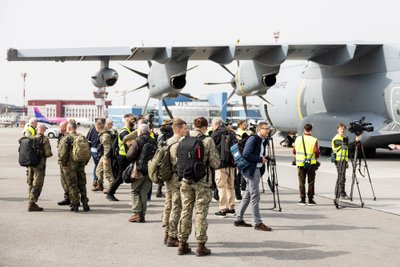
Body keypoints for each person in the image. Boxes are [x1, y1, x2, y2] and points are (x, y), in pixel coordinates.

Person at [177, 117, 220, 257]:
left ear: (193, 126)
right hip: (202, 182)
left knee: (185, 211)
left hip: (186, 180)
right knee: (200, 213)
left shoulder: (183, 140)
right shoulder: (207, 140)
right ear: (205, 127)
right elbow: (215, 163)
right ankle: (200, 246)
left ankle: (182, 244)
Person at [233, 122, 272, 231]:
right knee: (255, 196)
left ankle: (238, 219)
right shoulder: (253, 139)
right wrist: (260, 159)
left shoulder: (262, 140)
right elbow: (246, 154)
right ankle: (258, 223)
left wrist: (263, 158)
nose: (268, 130)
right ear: (259, 130)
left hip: (255, 169)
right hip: (251, 170)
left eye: (268, 129)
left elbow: (256, 153)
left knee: (247, 194)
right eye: (266, 129)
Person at [162, 118, 187, 247]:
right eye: (184, 128)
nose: (186, 130)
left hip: (169, 177)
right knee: (176, 206)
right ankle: (172, 235)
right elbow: (177, 163)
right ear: (177, 129)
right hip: (176, 178)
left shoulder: (168, 141)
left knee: (169, 205)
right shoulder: (177, 143)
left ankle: (166, 232)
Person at [59, 121, 90, 212]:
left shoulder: (67, 138)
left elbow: (63, 153)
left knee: (72, 184)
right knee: (82, 184)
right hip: (81, 164)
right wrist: (84, 162)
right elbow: (87, 151)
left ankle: (75, 204)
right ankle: (85, 204)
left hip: (70, 166)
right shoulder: (82, 137)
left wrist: (63, 163)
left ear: (68, 128)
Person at [210, 118, 237, 218]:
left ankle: (223, 209)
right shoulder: (231, 132)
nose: (212, 127)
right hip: (232, 164)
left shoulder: (215, 134)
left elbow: (211, 149)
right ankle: (231, 207)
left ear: (216, 124)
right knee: (230, 187)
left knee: (221, 187)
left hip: (221, 165)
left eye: (212, 125)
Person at [127, 124, 154, 223]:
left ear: (141, 131)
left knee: (134, 190)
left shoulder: (139, 140)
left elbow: (130, 155)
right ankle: (142, 215)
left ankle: (136, 214)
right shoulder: (153, 141)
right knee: (144, 192)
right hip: (150, 170)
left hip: (138, 169)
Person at [106, 113, 135, 201]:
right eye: (132, 119)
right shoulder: (124, 131)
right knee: (120, 177)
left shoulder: (129, 130)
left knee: (122, 177)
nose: (134, 121)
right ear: (126, 119)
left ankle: (110, 192)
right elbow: (129, 143)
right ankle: (110, 193)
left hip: (126, 156)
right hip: (123, 157)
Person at [26, 123, 53, 211]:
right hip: (39, 165)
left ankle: (30, 200)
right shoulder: (44, 139)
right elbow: (48, 153)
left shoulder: (31, 138)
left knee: (31, 182)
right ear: (44, 130)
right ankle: (32, 203)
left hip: (30, 164)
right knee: (37, 184)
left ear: (37, 129)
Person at [293, 123, 320, 205]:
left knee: (302, 182)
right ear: (311, 130)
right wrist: (316, 157)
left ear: (304, 130)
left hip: (300, 164)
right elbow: (316, 152)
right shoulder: (314, 140)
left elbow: (294, 151)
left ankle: (302, 199)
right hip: (311, 164)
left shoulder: (298, 139)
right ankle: (310, 199)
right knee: (311, 181)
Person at [332, 123, 355, 200]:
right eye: (341, 129)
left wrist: (346, 162)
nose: (342, 130)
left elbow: (345, 150)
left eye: (343, 129)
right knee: (342, 177)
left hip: (343, 160)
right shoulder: (337, 138)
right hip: (339, 160)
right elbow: (344, 145)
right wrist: (355, 141)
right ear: (337, 129)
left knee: (341, 177)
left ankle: (337, 192)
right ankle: (341, 193)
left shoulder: (343, 138)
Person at [94, 120, 114, 192]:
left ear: (98, 127)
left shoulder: (105, 136)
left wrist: (106, 158)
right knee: (98, 170)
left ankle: (112, 187)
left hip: (106, 156)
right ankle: (100, 185)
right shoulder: (103, 134)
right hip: (104, 155)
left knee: (107, 172)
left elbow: (107, 148)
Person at [156, 119, 173, 198]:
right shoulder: (163, 135)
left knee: (162, 172)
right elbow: (160, 145)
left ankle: (159, 190)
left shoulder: (162, 134)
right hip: (164, 154)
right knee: (164, 173)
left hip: (162, 154)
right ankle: (159, 191)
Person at [57, 121, 70, 205]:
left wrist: (64, 163)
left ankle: (73, 198)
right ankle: (67, 197)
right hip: (62, 162)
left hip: (67, 163)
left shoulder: (69, 137)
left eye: (60, 126)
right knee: (64, 181)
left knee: (70, 181)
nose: (58, 128)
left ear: (65, 127)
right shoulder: (61, 136)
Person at [86, 122, 100, 190]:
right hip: (97, 150)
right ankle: (97, 181)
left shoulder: (91, 129)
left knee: (96, 166)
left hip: (93, 150)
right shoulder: (102, 129)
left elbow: (88, 139)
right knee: (99, 166)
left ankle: (96, 180)